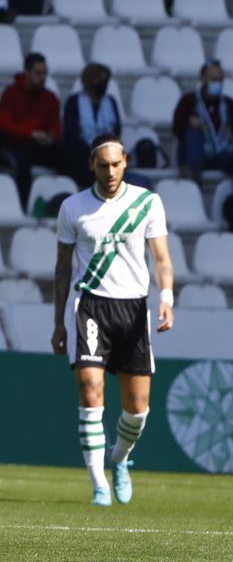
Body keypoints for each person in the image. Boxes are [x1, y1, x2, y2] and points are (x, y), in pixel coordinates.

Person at [51, 134, 175, 507]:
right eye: (102, 165)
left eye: (116, 164)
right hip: (90, 305)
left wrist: (166, 298)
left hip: (134, 309)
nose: (109, 171)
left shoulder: (147, 202)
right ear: (92, 164)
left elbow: (162, 259)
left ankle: (118, 458)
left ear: (126, 162)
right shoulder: (73, 207)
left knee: (137, 408)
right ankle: (98, 483)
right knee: (90, 391)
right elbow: (61, 269)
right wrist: (58, 321)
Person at [0, 53, 64, 202]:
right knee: (22, 158)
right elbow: (6, 126)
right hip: (14, 143)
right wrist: (31, 134)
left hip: (38, 145)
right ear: (26, 72)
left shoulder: (50, 98)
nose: (42, 77)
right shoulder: (11, 94)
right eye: (38, 73)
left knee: (66, 153)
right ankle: (23, 204)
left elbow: (56, 127)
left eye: (44, 73)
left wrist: (51, 137)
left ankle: (62, 201)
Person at [172, 59, 233, 176]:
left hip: (221, 154)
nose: (217, 83)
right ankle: (191, 175)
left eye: (220, 79)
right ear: (203, 79)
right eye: (213, 79)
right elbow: (176, 129)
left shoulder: (229, 104)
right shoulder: (188, 100)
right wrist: (188, 120)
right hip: (195, 153)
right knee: (193, 131)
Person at [60, 64, 122, 187]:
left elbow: (117, 129)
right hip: (81, 151)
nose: (103, 83)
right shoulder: (74, 101)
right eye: (100, 79)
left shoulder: (110, 101)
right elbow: (71, 131)